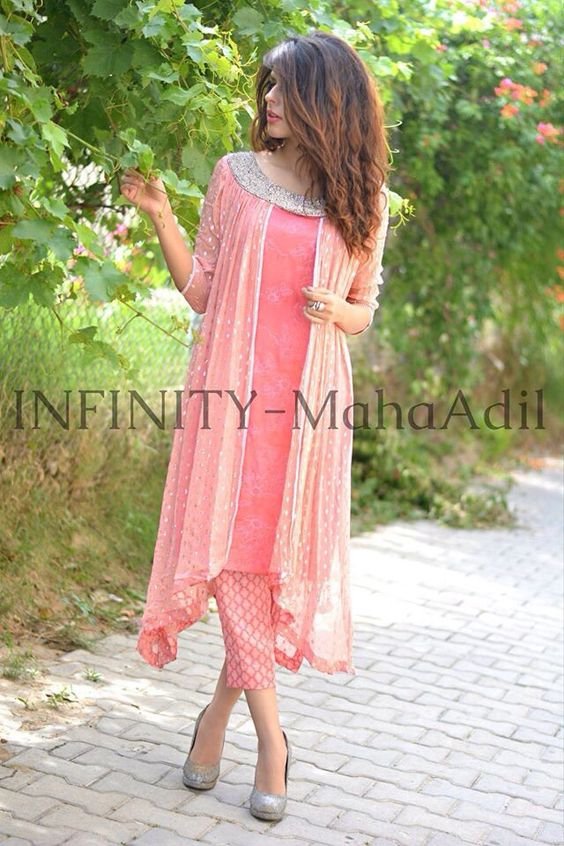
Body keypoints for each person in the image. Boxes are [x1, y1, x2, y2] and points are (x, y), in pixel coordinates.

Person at [119, 30, 391, 822]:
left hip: (307, 411)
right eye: (266, 86)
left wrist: (337, 309)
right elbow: (203, 292)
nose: (268, 100)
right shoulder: (234, 178)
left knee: (266, 567)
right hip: (230, 400)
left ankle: (214, 720)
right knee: (237, 561)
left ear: (324, 100)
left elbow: (364, 310)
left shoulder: (362, 198)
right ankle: (273, 743)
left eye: (283, 87)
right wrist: (162, 217)